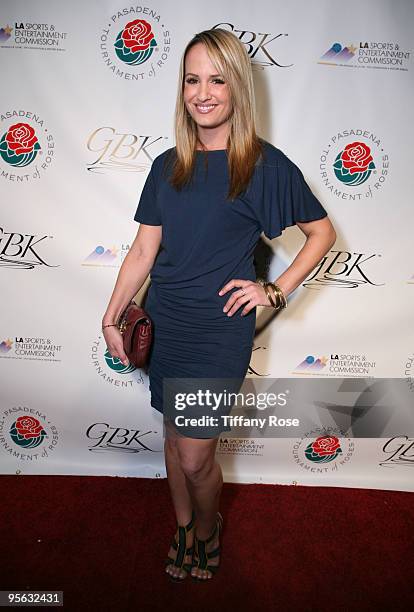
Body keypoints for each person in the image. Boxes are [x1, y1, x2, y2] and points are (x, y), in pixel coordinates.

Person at [102, 28, 336, 582]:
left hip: (218, 333)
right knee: (171, 436)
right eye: (192, 79)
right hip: (165, 322)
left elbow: (321, 233)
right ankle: (183, 525)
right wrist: (112, 314)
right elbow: (142, 249)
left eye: (217, 79)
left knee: (195, 456)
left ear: (237, 88)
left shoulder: (263, 165)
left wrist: (274, 289)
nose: (202, 92)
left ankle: (208, 529)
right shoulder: (167, 166)